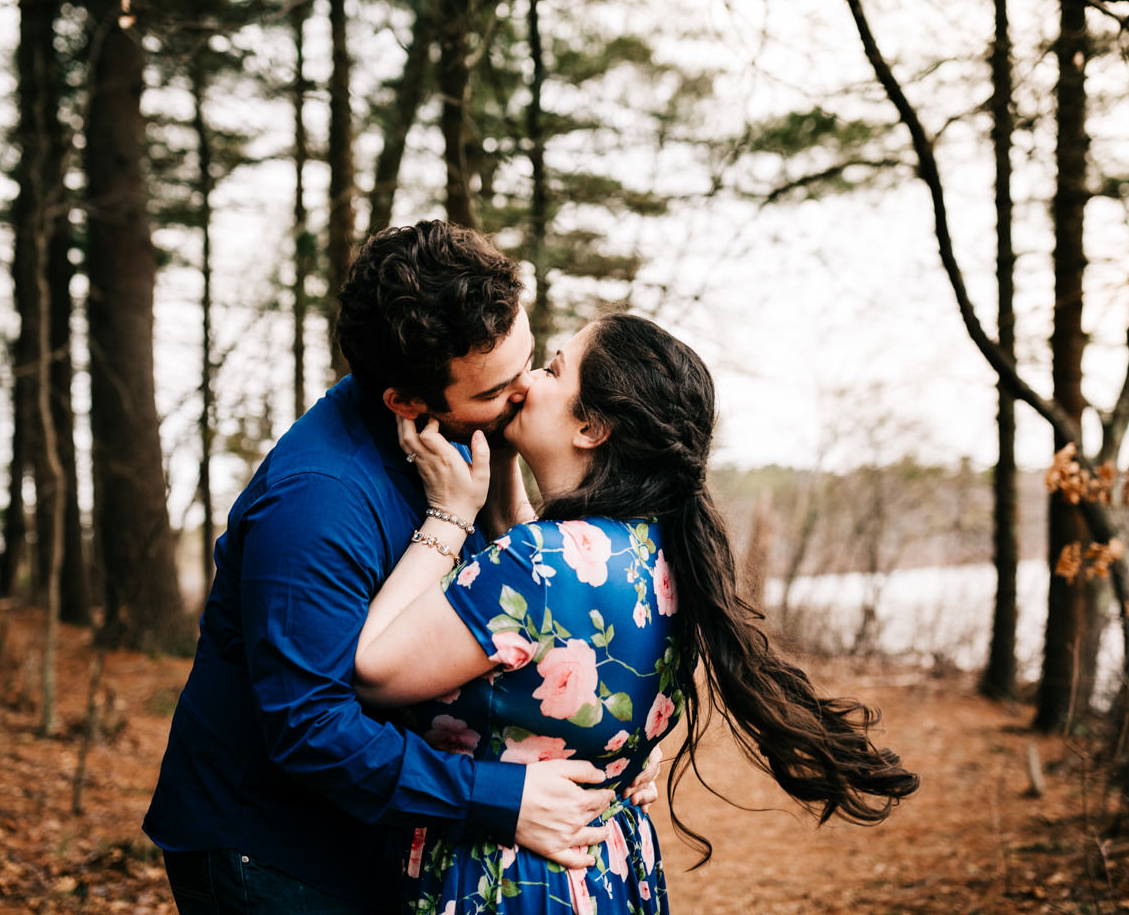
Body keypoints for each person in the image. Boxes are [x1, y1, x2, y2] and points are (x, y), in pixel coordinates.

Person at [144, 221, 652, 915]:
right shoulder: (318, 502)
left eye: (532, 359)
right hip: (273, 856)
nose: (530, 389)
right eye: (501, 386)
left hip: (381, 837)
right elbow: (310, 725)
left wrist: (593, 759)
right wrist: (505, 799)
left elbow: (493, 641)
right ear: (407, 402)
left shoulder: (466, 446)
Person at [351, 312, 920, 915]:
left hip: (506, 880)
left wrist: (446, 514)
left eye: (554, 369)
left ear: (592, 426)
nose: (527, 380)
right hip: (607, 869)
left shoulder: (536, 563)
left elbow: (372, 673)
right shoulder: (660, 551)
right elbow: (538, 602)